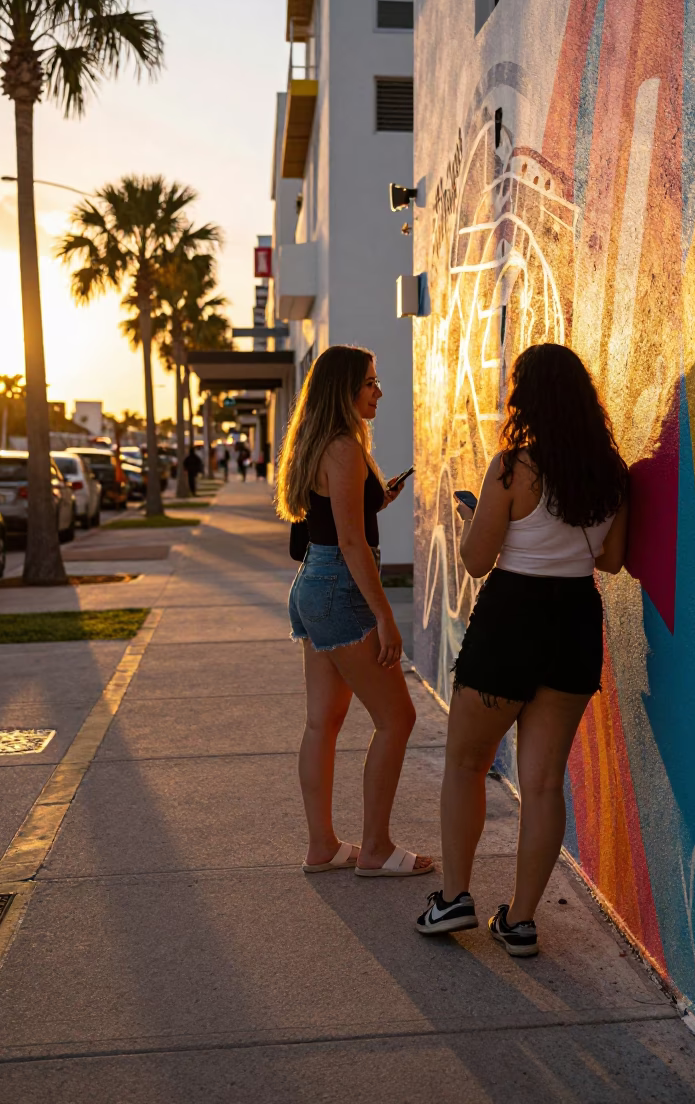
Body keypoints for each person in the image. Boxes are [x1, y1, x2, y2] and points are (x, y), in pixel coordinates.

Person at [416, 343, 628, 953]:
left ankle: (454, 899)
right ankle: (521, 921)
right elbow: (611, 562)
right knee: (542, 784)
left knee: (466, 764)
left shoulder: (512, 468)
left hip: (511, 618)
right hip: (575, 624)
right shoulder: (610, 476)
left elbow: (478, 561)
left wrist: (472, 518)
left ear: (526, 398)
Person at [276, 345, 433, 878]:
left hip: (314, 584)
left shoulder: (323, 444)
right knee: (398, 718)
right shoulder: (343, 448)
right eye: (369, 382)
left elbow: (334, 520)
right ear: (343, 389)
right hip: (338, 589)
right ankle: (377, 848)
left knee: (323, 722)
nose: (378, 391)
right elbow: (350, 542)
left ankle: (322, 846)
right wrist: (386, 616)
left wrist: (375, 500)